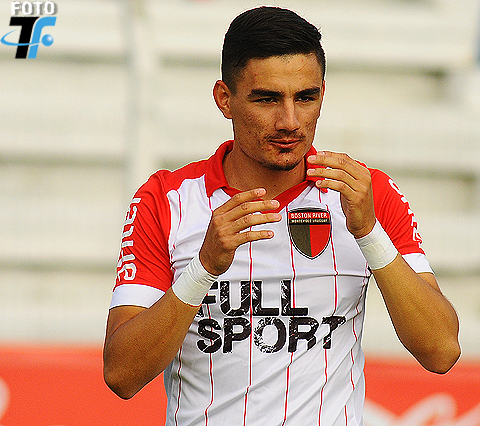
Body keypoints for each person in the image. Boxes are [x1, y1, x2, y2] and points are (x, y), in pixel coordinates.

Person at [103, 6, 460, 426]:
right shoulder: (167, 199)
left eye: (305, 98)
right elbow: (121, 375)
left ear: (322, 95)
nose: (289, 121)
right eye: (267, 99)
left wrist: (369, 233)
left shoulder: (366, 193)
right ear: (224, 99)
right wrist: (203, 268)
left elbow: (441, 350)